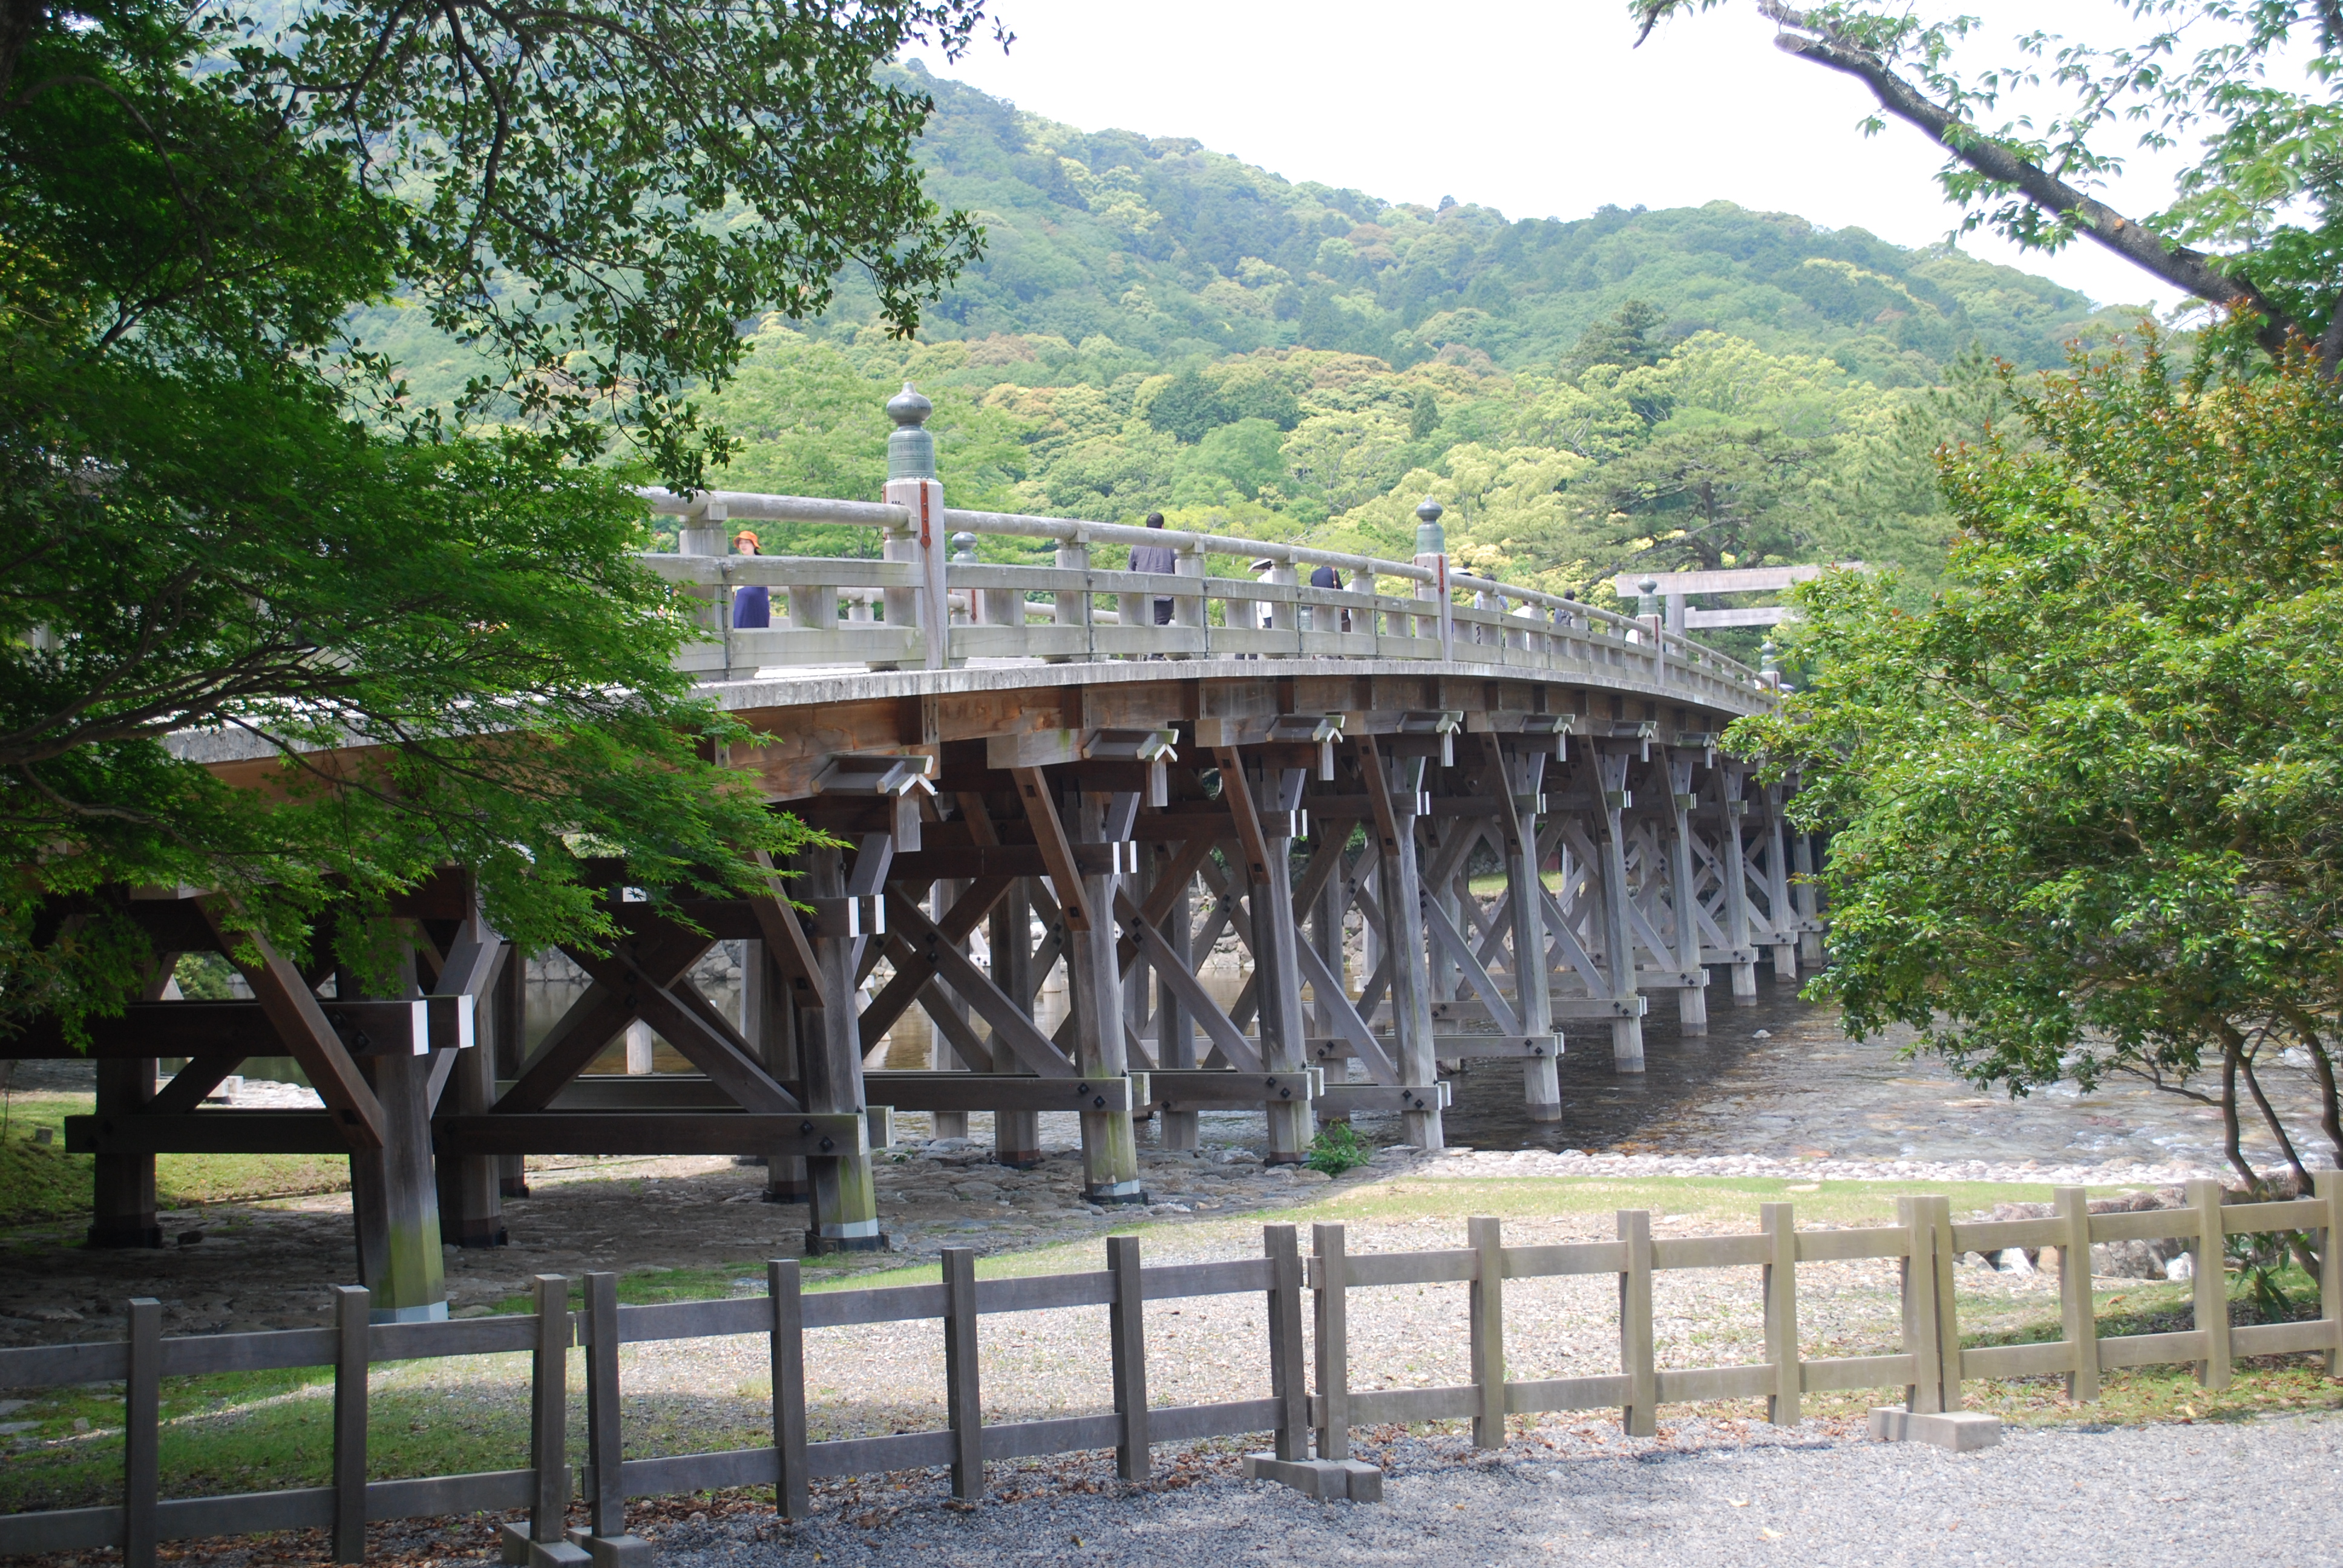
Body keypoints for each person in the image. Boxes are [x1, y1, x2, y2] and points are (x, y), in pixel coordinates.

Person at [1129, 511, 1178, 625]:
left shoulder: (1136, 547)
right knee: (1158, 633)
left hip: (1141, 599)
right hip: (1163, 599)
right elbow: (1178, 570)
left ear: (1146, 526)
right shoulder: (1170, 545)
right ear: (1162, 527)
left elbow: (1130, 571)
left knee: (1141, 633)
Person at [732, 528, 770, 629]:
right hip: (741, 600)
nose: (743, 545)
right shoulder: (736, 562)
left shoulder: (762, 561)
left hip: (758, 601)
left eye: (747, 542)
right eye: (741, 543)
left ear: (754, 545)